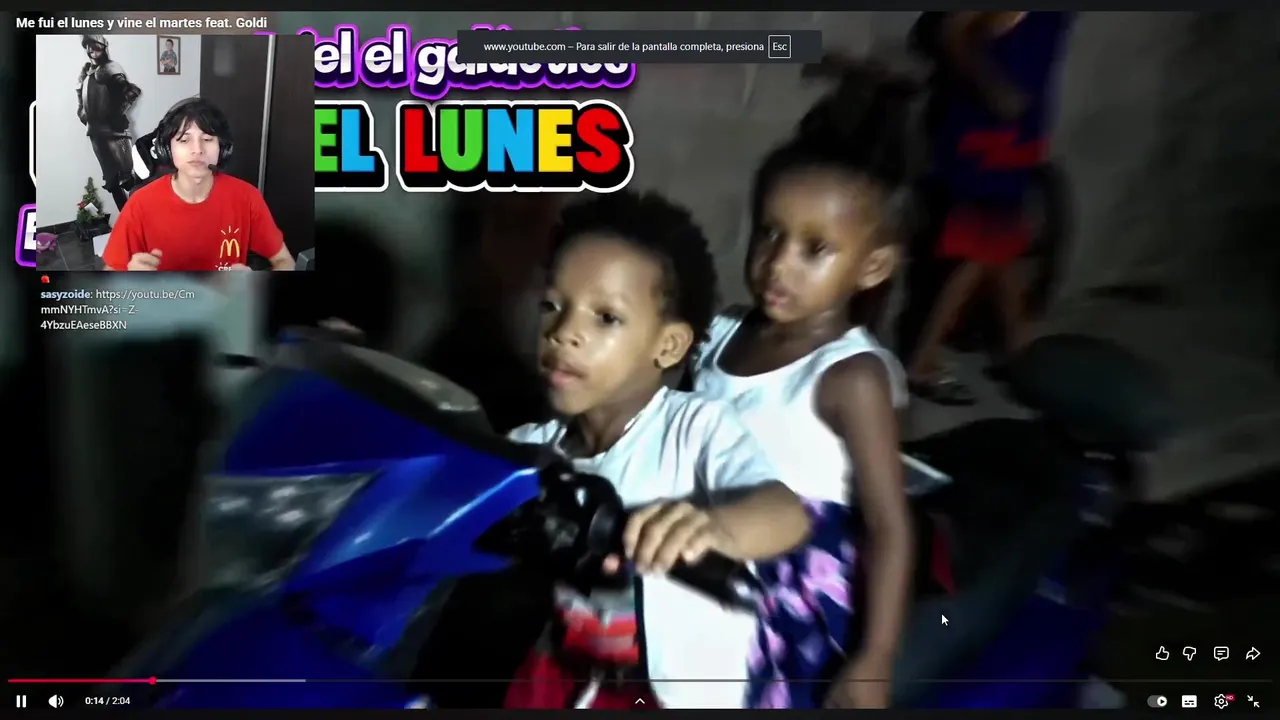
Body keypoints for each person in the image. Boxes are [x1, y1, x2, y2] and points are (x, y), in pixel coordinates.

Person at [503, 191, 812, 709]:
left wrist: (716, 528)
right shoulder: (531, 450)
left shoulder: (694, 429)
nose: (563, 333)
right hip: (572, 670)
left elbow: (786, 513)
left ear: (667, 346)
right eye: (552, 305)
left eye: (605, 317)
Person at [690, 80, 916, 709]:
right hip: (698, 552)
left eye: (814, 249)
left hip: (781, 601)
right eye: (769, 233)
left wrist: (876, 656)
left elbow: (889, 526)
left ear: (872, 267)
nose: (778, 263)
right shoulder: (723, 332)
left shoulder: (850, 378)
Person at [904, 11, 1074, 404]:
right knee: (980, 248)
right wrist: (994, 88)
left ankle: (1018, 347)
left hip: (1017, 130)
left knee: (1003, 241)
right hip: (987, 132)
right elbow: (951, 29)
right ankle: (923, 360)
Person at [102, 97, 295, 272]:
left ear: (222, 148)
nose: (197, 149)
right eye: (184, 140)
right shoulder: (140, 203)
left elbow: (284, 261)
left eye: (207, 139)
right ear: (167, 149)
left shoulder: (247, 197)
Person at [77, 35, 142, 213]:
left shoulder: (110, 68)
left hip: (116, 133)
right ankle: (127, 218)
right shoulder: (86, 73)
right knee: (111, 182)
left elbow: (131, 92)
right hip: (95, 132)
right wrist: (82, 113)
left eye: (95, 45)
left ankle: (141, 217)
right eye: (88, 46)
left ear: (103, 46)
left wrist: (116, 114)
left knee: (128, 179)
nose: (91, 49)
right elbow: (81, 100)